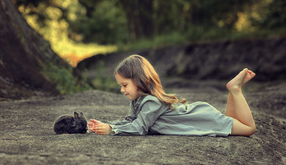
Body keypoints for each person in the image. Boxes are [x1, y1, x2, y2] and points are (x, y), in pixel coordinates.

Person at [88, 54, 256, 136]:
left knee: (248, 129)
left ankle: (235, 90)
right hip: (201, 117)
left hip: (202, 120)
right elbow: (130, 121)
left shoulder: (151, 102)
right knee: (231, 120)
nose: (122, 90)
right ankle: (232, 90)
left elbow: (140, 128)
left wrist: (112, 130)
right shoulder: (138, 100)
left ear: (139, 81)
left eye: (124, 85)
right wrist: (106, 125)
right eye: (121, 86)